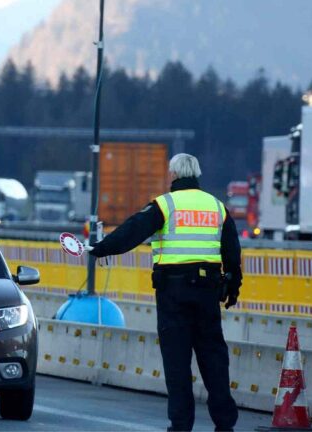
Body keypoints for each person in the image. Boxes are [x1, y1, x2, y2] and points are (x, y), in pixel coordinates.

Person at [88, 153, 241, 432]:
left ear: (173, 175)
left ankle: (181, 425)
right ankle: (225, 424)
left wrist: (101, 248)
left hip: (174, 293)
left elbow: (131, 232)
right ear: (196, 174)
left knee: (177, 362)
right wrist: (233, 286)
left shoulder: (165, 205)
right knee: (214, 358)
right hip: (208, 292)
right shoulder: (217, 207)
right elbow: (232, 250)